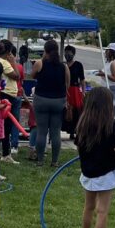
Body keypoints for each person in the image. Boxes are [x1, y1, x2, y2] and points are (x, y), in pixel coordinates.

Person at [75, 86, 115, 228]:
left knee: (89, 206)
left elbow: (79, 146)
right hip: (105, 173)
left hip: (88, 172)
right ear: (108, 105)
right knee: (102, 211)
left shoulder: (83, 123)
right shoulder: (112, 125)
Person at [31, 38, 70, 167]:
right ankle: (55, 161)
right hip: (58, 101)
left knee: (42, 131)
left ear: (45, 51)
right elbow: (67, 84)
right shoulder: (64, 66)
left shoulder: (39, 63)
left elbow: (32, 75)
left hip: (41, 99)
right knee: (55, 132)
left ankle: (40, 160)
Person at [0, 41, 20, 163]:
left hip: (5, 94)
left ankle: (4, 152)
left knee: (4, 126)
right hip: (6, 95)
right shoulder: (5, 63)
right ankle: (5, 154)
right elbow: (16, 76)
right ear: (8, 52)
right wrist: (14, 62)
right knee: (6, 127)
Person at [94, 43, 115, 120]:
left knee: (111, 116)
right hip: (106, 91)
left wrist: (104, 74)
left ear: (111, 52)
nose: (105, 52)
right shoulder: (108, 63)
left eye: (107, 51)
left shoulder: (114, 63)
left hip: (112, 92)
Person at [63, 44, 86, 138]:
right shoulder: (63, 65)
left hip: (75, 90)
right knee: (66, 110)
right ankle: (69, 131)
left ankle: (76, 131)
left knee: (77, 111)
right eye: (66, 52)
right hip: (65, 89)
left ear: (73, 54)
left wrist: (83, 92)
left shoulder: (78, 65)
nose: (67, 54)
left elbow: (82, 80)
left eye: (69, 53)